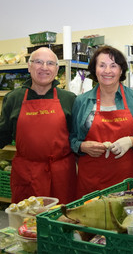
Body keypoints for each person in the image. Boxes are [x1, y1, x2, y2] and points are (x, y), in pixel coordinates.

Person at [70, 45, 133, 198]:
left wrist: (132, 141)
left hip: (128, 179)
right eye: (102, 65)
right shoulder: (82, 101)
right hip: (92, 180)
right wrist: (82, 146)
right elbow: (71, 138)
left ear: (121, 70)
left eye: (113, 65)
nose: (107, 71)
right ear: (95, 70)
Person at [0, 47, 77, 204]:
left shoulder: (69, 99)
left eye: (50, 63)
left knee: (61, 221)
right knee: (27, 223)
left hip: (61, 173)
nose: (44, 67)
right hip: (26, 173)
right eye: (38, 62)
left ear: (56, 69)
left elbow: (77, 137)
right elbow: (3, 135)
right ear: (29, 66)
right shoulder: (13, 99)